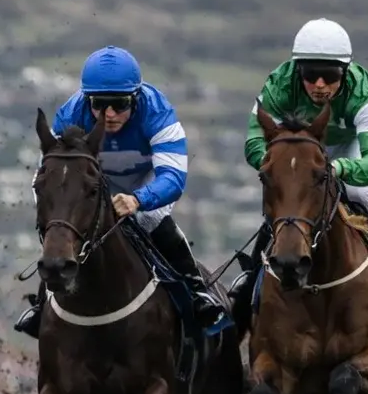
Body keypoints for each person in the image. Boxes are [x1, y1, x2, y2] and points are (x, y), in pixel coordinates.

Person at [229, 17, 368, 330]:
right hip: (297, 151)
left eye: (330, 75)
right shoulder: (278, 85)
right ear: (297, 70)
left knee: (363, 192)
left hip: (346, 150)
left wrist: (337, 168)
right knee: (289, 195)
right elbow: (254, 144)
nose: (320, 85)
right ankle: (250, 283)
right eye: (311, 75)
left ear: (346, 72)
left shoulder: (363, 94)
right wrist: (284, 166)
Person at [14, 46, 227, 338]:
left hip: (144, 185)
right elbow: (47, 178)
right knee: (66, 235)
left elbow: (173, 177)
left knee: (154, 224)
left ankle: (197, 292)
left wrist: (138, 199)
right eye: (100, 104)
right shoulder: (69, 116)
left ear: (136, 97)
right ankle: (42, 305)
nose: (110, 113)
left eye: (120, 103)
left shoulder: (158, 114)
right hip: (90, 188)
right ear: (87, 99)